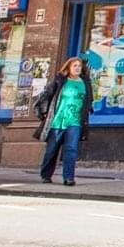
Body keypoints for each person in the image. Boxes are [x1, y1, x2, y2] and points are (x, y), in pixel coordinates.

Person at [33, 57, 93, 186]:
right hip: (58, 120)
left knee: (71, 150)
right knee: (51, 150)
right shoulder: (60, 81)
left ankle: (68, 178)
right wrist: (43, 112)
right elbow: (47, 95)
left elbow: (89, 100)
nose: (77, 68)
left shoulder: (85, 83)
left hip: (75, 121)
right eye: (74, 66)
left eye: (79, 66)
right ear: (68, 68)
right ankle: (46, 175)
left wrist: (89, 108)